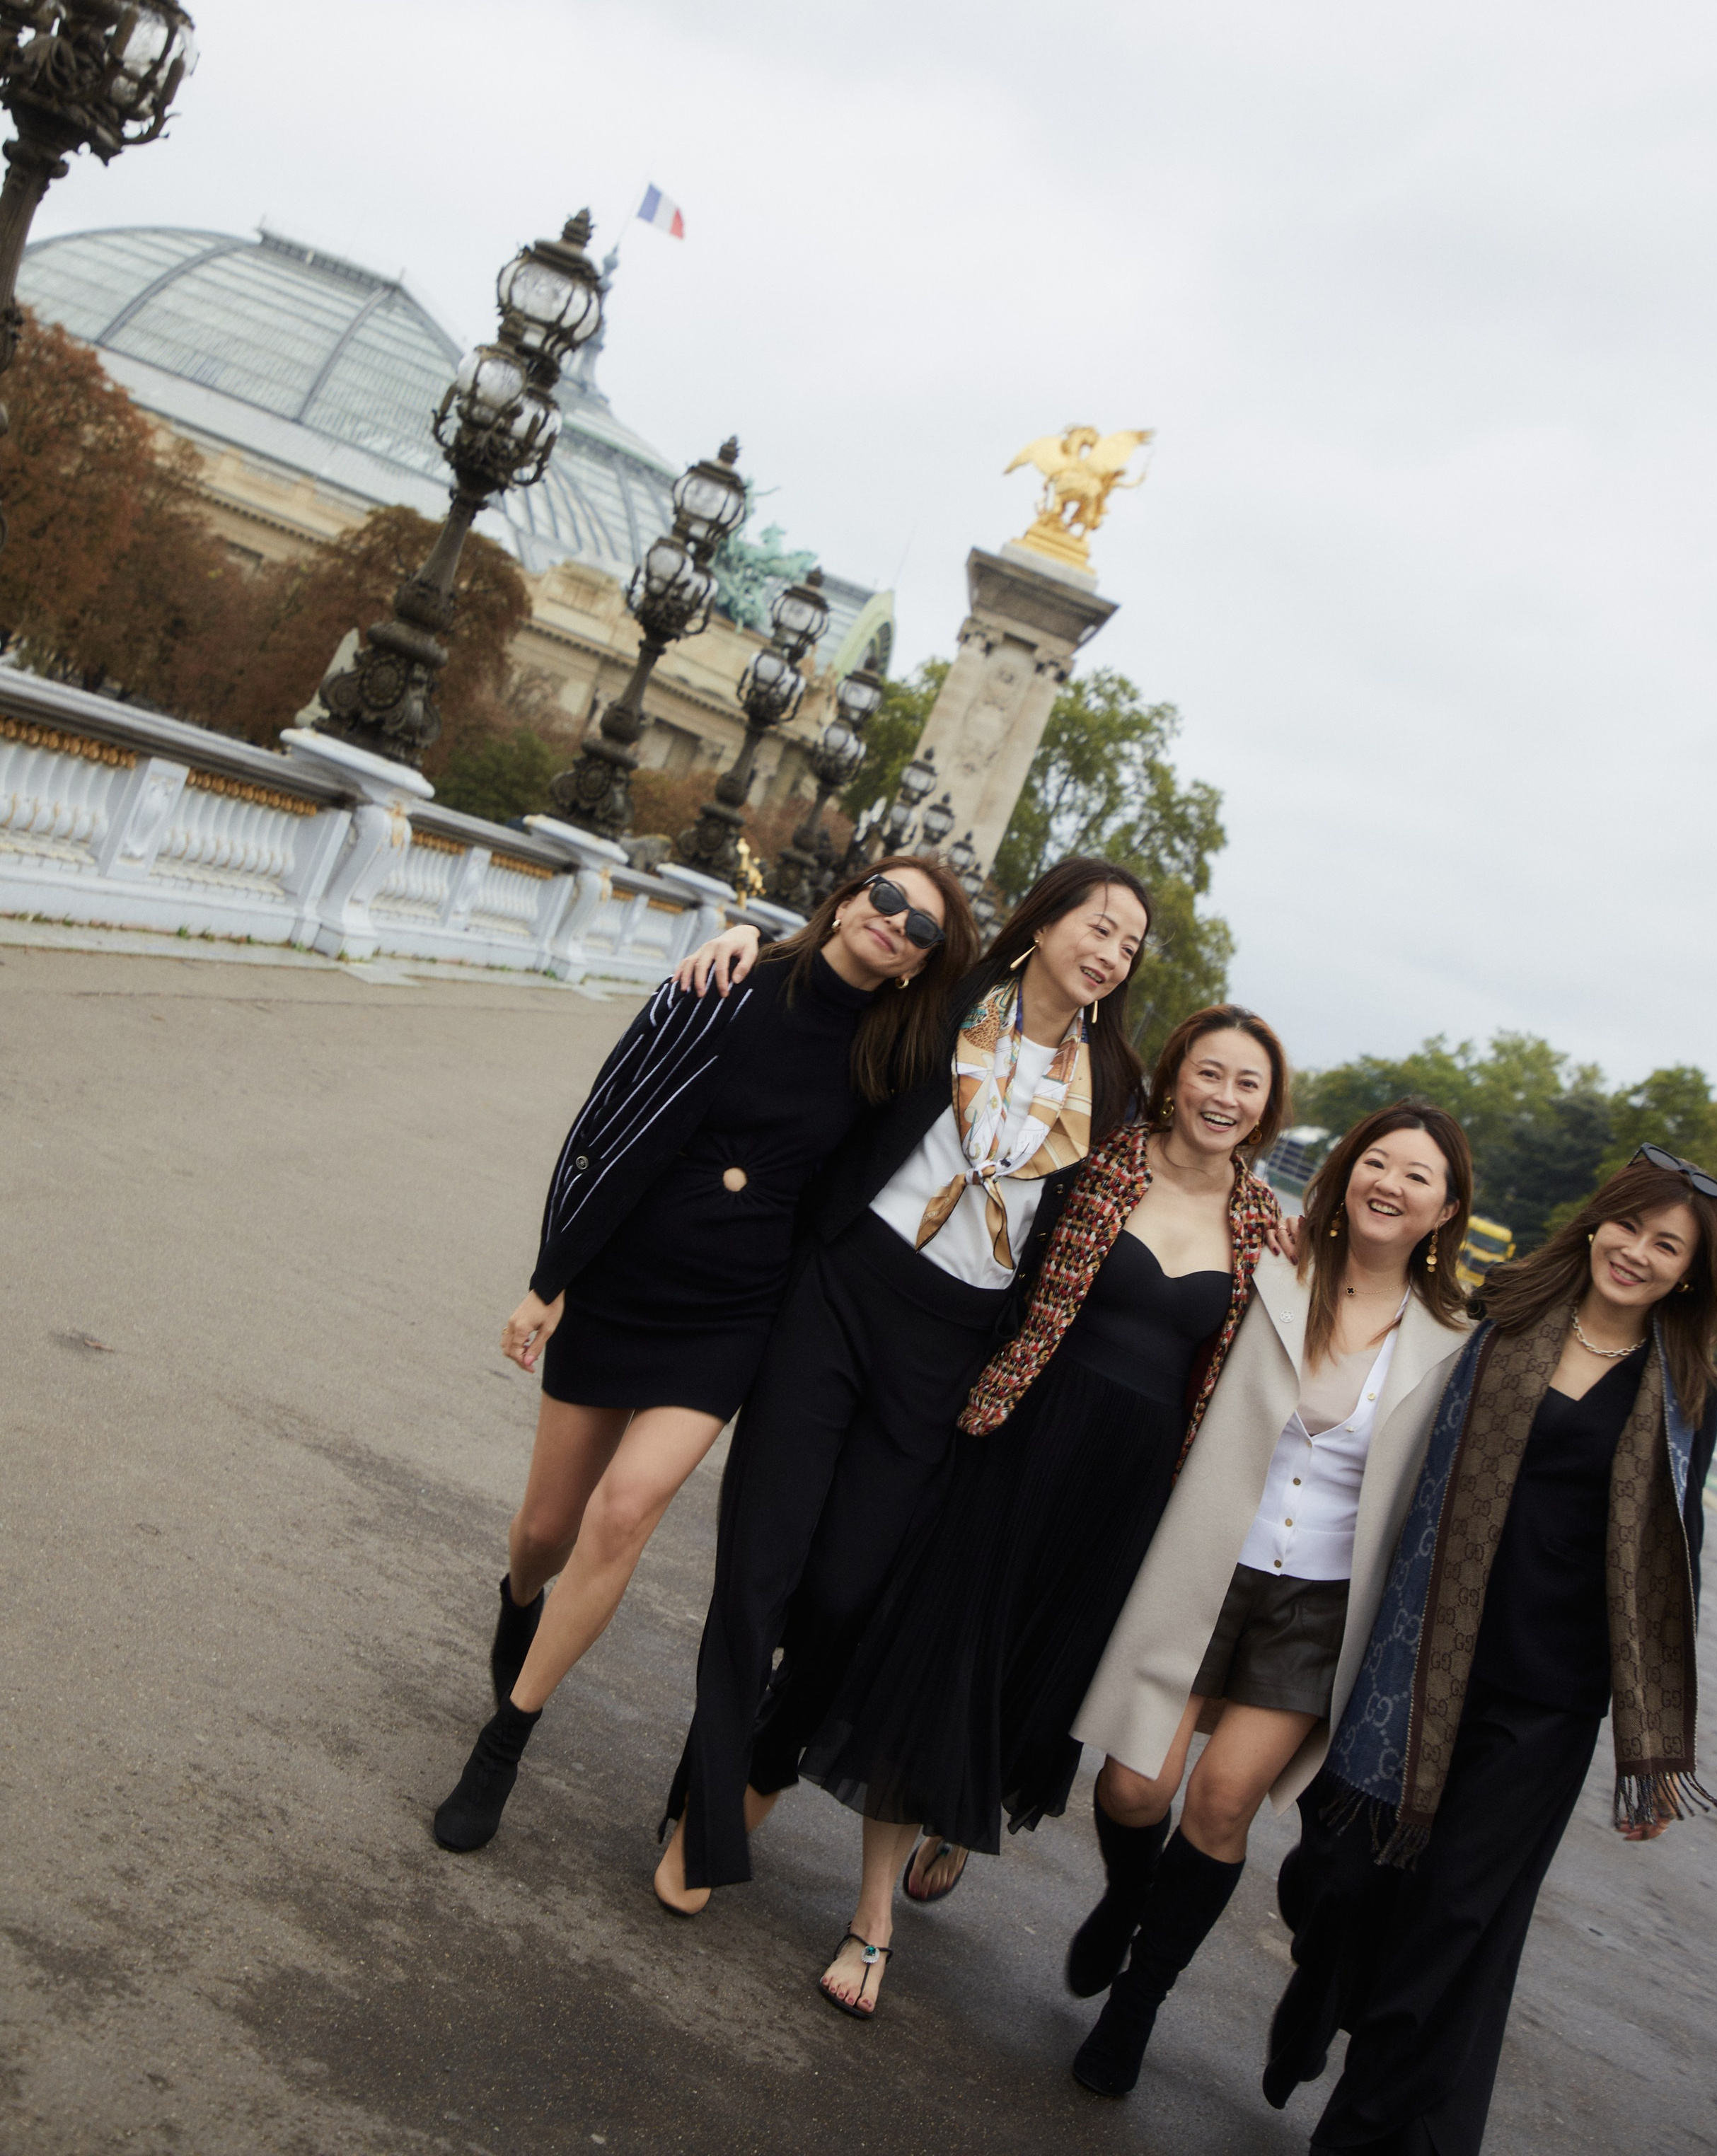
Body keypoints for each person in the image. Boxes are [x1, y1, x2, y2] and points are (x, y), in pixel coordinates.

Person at [429, 856, 976, 1855]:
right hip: (624, 1281)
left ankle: (503, 1741)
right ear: (849, 899)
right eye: (885, 898)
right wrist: (550, 1276)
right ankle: (519, 1607)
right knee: (546, 1528)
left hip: (734, 1314)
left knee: (625, 1511)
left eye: (922, 929)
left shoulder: (893, 1062)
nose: (894, 923)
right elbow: (608, 1120)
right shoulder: (729, 982)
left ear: (922, 965)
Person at [653, 857, 1154, 1911]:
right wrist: (750, 943)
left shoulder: (1115, 1088)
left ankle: (761, 1761)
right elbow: (838, 970)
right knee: (760, 1569)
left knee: (842, 1595)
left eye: (1131, 945)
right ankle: (702, 1818)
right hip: (842, 1290)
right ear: (1049, 917)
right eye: (1100, 925)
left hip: (954, 1341)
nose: (1111, 952)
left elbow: (1177, 1191)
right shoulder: (951, 995)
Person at [800, 1004, 1290, 2017]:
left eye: (1247, 1084)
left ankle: (958, 1810)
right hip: (1023, 1436)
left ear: (1267, 1108)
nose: (1223, 1098)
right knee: (941, 1651)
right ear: (1174, 1075)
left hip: (1134, 1490)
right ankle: (873, 1918)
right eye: (1210, 1073)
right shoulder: (1097, 1160)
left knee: (1035, 1680)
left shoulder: (1263, 1229)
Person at [1263, 1144, 1717, 2155]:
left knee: (1455, 1923)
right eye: (1628, 1228)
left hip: (1548, 1702)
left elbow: (1673, 1562)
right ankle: (1317, 1998)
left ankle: (1363, 2130)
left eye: (1666, 1246)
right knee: (1341, 1880)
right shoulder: (1504, 1314)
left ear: (1689, 1272)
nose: (1636, 1254)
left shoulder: (1690, 1390)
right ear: (1596, 1223)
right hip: (1420, 1656)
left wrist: (1652, 1738)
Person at [1063, 1100, 1476, 2097]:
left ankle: (1137, 2005)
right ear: (1345, 1174)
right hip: (1209, 1570)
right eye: (1376, 1161)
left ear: (1445, 1209)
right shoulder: (1271, 1270)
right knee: (1133, 1789)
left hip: (1319, 1607)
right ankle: (1129, 1896)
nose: (1390, 1183)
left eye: (1417, 1176)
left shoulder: (1457, 1339)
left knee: (1220, 1802)